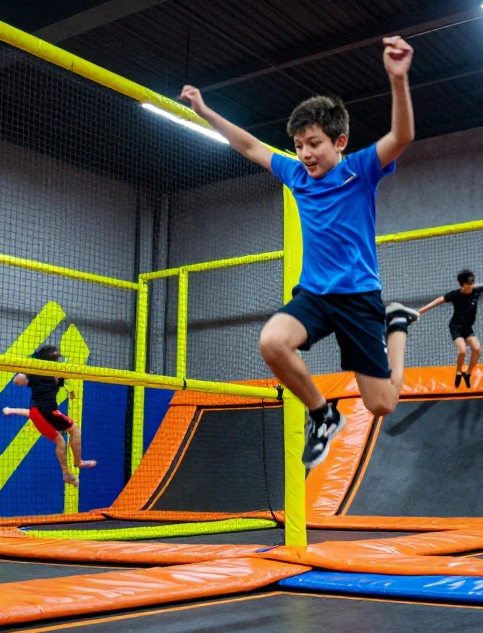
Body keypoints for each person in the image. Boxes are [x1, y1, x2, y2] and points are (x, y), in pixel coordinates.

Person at [180, 36, 421, 468]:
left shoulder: (359, 171)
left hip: (358, 296)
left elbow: (402, 135)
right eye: (299, 145)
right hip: (314, 294)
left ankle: (396, 325)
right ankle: (322, 414)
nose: (305, 153)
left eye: (314, 143)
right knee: (272, 343)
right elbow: (250, 146)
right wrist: (205, 111)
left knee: (382, 404)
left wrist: (397, 79)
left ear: (339, 142)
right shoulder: (296, 175)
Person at [3, 345, 95, 487]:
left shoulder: (56, 373)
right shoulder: (38, 371)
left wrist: (70, 391)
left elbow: (65, 382)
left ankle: (76, 463)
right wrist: (27, 371)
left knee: (74, 430)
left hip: (50, 411)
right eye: (54, 358)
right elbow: (17, 380)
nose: (57, 360)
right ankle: (68, 472)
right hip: (39, 411)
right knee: (61, 441)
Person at [417, 270, 483, 388]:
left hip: (467, 328)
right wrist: (420, 311)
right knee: (462, 351)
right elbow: (436, 302)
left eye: (472, 283)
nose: (471, 286)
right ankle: (459, 372)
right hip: (456, 327)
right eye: (468, 285)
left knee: (477, 350)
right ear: (461, 285)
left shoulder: (476, 290)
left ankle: (467, 374)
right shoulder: (455, 295)